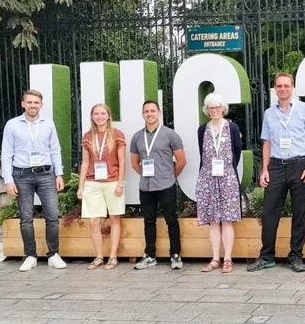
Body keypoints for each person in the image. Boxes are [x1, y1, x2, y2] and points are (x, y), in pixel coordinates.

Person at [248, 72, 305, 273]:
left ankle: (296, 256)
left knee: (300, 212)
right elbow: (267, 143)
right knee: (269, 211)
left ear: (292, 87)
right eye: (279, 86)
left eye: (287, 85)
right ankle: (266, 256)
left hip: (300, 164)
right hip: (277, 166)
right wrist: (265, 169)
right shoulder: (270, 113)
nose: (283, 89)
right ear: (275, 89)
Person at [1, 90, 68, 272]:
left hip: (46, 174)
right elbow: (6, 153)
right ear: (23, 104)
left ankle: (53, 254)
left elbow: (55, 149)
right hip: (21, 175)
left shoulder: (48, 124)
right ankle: (30, 255)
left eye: (36, 103)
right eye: (29, 102)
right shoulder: (12, 125)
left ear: (41, 105)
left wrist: (59, 174)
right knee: (26, 218)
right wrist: (8, 180)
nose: (32, 105)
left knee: (52, 216)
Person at [130, 100, 186, 270]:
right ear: (142, 115)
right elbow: (134, 163)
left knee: (171, 220)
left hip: (166, 185)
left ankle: (175, 255)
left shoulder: (170, 135)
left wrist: (169, 176)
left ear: (159, 113)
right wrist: (145, 175)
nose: (150, 114)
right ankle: (150, 255)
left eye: (153, 110)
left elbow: (182, 161)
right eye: (146, 111)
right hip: (146, 186)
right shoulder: (137, 137)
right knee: (148, 221)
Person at [196, 93, 243, 273]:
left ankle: (228, 259)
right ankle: (215, 258)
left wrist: (226, 170)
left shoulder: (232, 127)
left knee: (227, 219)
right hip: (208, 177)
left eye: (217, 107)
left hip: (227, 178)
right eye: (211, 107)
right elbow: (203, 153)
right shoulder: (202, 130)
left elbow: (236, 152)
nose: (214, 110)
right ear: (207, 110)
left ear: (223, 108)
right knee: (213, 221)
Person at [77, 104, 127, 270]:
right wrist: (81, 186)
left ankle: (112, 257)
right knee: (93, 221)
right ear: (92, 117)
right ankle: (99, 256)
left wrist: (120, 183)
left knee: (114, 218)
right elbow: (85, 163)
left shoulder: (117, 135)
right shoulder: (87, 136)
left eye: (102, 113)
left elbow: (122, 162)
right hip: (92, 182)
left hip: (112, 182)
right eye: (96, 114)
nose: (99, 116)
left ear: (108, 115)